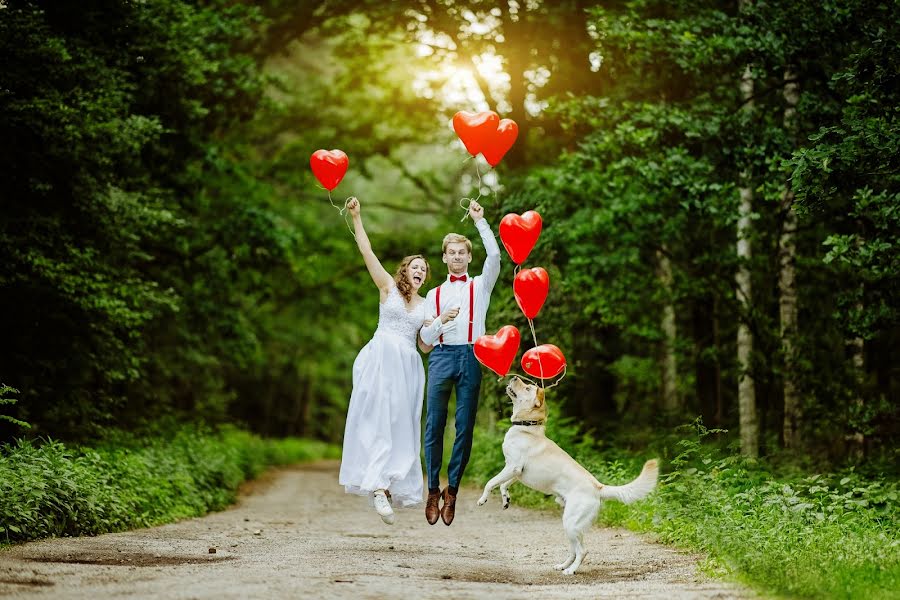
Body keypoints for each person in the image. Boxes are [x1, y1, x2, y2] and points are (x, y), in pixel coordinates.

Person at [338, 197, 446, 525]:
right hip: (381, 357)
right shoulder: (388, 288)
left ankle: (386, 486)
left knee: (401, 425)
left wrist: (442, 321)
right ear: (404, 270)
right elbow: (367, 251)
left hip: (409, 367)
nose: (420, 271)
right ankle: (377, 484)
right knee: (376, 418)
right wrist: (357, 217)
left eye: (424, 270)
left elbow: (426, 346)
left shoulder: (427, 305)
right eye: (415, 267)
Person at [418, 200, 501, 525]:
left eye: (461, 252)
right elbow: (424, 337)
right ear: (444, 257)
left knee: (464, 427)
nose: (456, 256)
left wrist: (481, 222)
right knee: (433, 425)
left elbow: (495, 257)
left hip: (470, 354)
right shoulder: (434, 294)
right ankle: (432, 489)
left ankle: (452, 491)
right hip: (439, 356)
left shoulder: (480, 286)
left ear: (468, 257)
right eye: (451, 252)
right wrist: (439, 320)